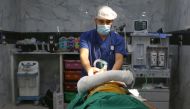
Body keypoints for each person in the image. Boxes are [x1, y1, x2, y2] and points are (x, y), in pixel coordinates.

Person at [80, 5, 127, 76]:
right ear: (96, 21)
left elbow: (119, 60)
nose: (105, 24)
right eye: (101, 21)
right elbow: (83, 55)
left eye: (108, 22)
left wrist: (110, 75)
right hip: (90, 78)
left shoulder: (118, 39)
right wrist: (89, 69)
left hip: (111, 78)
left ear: (112, 22)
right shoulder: (86, 36)